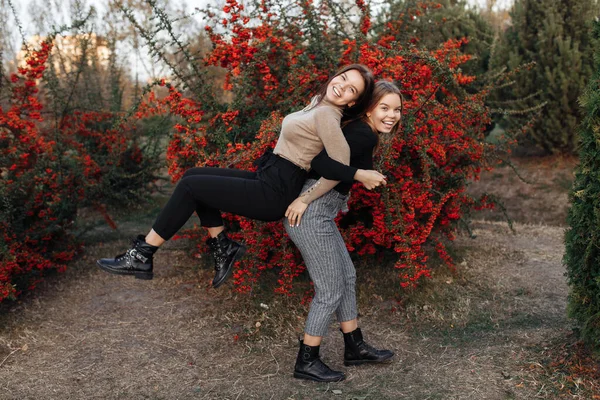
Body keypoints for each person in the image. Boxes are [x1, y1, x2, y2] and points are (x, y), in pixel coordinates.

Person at [96, 64, 387, 288]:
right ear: (335, 77)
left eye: (352, 90)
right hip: (270, 172)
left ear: (352, 103)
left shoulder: (328, 116)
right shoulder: (318, 103)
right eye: (343, 79)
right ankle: (222, 246)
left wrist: (305, 200)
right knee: (195, 177)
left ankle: (143, 255)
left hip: (278, 189)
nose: (342, 87)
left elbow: (338, 167)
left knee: (192, 186)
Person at [284, 81, 403, 382]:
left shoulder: (365, 133)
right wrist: (359, 175)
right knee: (330, 289)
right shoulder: (361, 133)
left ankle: (354, 347)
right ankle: (306, 361)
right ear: (369, 108)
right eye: (384, 108)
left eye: (397, 110)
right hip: (310, 213)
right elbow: (321, 161)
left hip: (321, 212)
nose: (392, 115)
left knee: (347, 276)